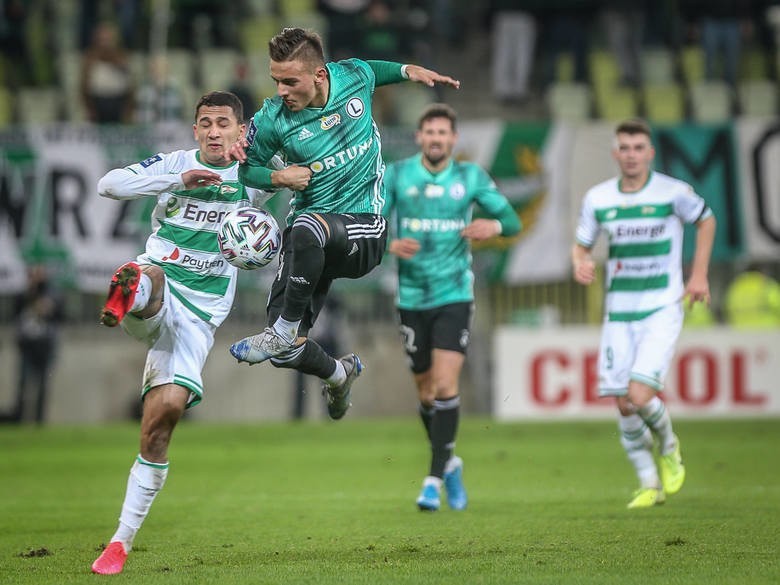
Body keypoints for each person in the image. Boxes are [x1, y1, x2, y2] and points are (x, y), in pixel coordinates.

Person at [225, 27, 460, 421]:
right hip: (309, 244)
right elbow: (247, 171)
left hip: (363, 227)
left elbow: (373, 69)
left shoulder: (351, 77)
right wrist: (280, 178)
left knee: (305, 230)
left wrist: (406, 70)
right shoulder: (272, 120)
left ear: (319, 75)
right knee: (286, 354)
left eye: (289, 81)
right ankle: (339, 374)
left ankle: (282, 330)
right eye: (275, 81)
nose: (281, 90)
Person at [90, 91, 275, 575]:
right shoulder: (175, 163)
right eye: (205, 123)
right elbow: (108, 185)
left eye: (223, 124)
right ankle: (125, 294)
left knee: (163, 420)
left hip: (201, 313)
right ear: (195, 130)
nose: (214, 132)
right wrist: (178, 179)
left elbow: (303, 175)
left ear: (240, 130)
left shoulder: (253, 174)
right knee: (148, 276)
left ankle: (119, 544)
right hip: (162, 277)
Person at [572, 118, 716, 509]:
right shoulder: (599, 198)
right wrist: (580, 262)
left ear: (650, 153)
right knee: (622, 402)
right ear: (616, 153)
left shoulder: (673, 192)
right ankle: (649, 483)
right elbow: (582, 245)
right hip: (619, 311)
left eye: (639, 148)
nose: (632, 155)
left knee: (639, 394)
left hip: (661, 306)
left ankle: (669, 447)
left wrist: (698, 275)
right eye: (625, 148)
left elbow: (706, 219)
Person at [382, 103, 521, 511]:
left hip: (454, 294)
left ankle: (432, 479)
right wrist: (389, 243)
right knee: (426, 393)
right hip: (410, 296)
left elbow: (511, 221)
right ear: (419, 137)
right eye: (430, 133)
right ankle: (451, 463)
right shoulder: (398, 175)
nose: (437, 139)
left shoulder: (470, 176)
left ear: (453, 139)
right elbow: (374, 219)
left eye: (443, 133)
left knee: (445, 385)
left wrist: (491, 226)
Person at [8, 264, 62, 424]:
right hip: (27, 345)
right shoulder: (24, 294)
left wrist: (48, 308)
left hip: (45, 345)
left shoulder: (52, 294)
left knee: (43, 385)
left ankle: (39, 420)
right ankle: (19, 417)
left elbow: (60, 315)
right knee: (23, 384)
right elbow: (15, 314)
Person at [80, 21, 134, 124]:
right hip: (98, 105)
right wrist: (88, 108)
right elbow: (84, 86)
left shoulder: (121, 56)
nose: (105, 42)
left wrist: (129, 109)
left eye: (107, 39)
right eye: (102, 39)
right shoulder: (90, 58)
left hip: (118, 103)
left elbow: (130, 84)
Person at [723, 262, 780, 328]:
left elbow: (726, 307)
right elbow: (777, 303)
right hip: (767, 328)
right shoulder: (766, 284)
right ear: (761, 273)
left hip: (740, 329)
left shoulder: (736, 286)